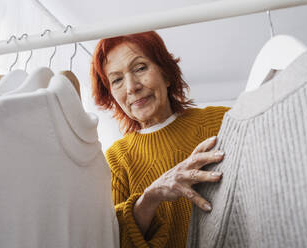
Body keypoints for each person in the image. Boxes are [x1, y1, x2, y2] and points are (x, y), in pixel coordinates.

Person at [90, 31, 230, 248]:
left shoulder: (221, 121)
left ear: (166, 74)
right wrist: (151, 197)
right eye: (117, 80)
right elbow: (114, 241)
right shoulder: (116, 159)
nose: (131, 87)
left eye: (140, 68)